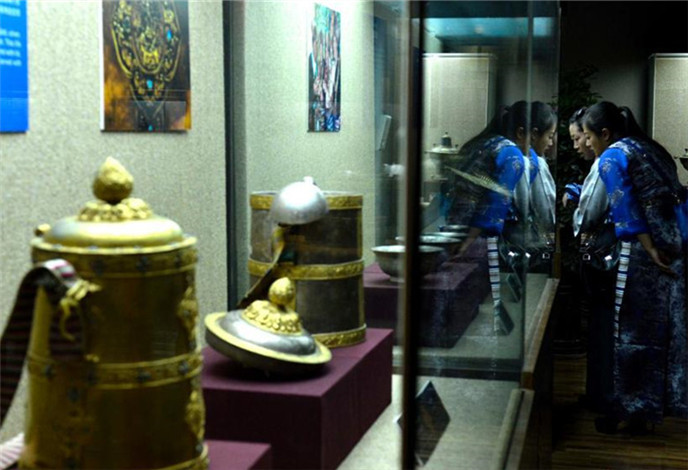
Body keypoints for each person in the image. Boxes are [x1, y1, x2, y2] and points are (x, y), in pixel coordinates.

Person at [581, 101, 688, 434]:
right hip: (674, 247)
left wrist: (649, 248)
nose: (587, 144)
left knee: (627, 332)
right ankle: (648, 410)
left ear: (605, 133)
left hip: (642, 253)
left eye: (588, 136)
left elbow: (625, 209)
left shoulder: (613, 156)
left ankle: (627, 408)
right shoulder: (649, 149)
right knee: (660, 332)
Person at [445, 101, 527, 334]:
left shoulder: (481, 142)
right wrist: (469, 239)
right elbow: (496, 202)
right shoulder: (511, 153)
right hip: (476, 232)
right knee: (480, 296)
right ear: (522, 132)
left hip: (454, 222)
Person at [566, 107, 617, 414]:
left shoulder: (605, 163)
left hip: (605, 255)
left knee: (603, 327)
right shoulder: (607, 160)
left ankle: (604, 397)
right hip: (606, 254)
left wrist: (577, 211)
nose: (580, 144)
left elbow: (587, 217)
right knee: (599, 327)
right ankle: (598, 393)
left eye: (582, 136)